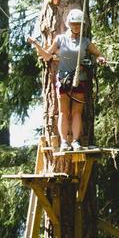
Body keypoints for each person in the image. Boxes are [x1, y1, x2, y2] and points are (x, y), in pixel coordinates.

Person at [28, 8, 107, 152]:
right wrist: (36, 44)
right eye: (74, 23)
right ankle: (64, 142)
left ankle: (75, 141)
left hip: (79, 79)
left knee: (77, 112)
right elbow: (47, 56)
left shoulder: (85, 42)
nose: (76, 26)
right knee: (64, 112)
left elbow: (98, 54)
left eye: (79, 24)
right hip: (64, 79)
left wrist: (100, 59)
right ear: (69, 24)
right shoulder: (60, 39)